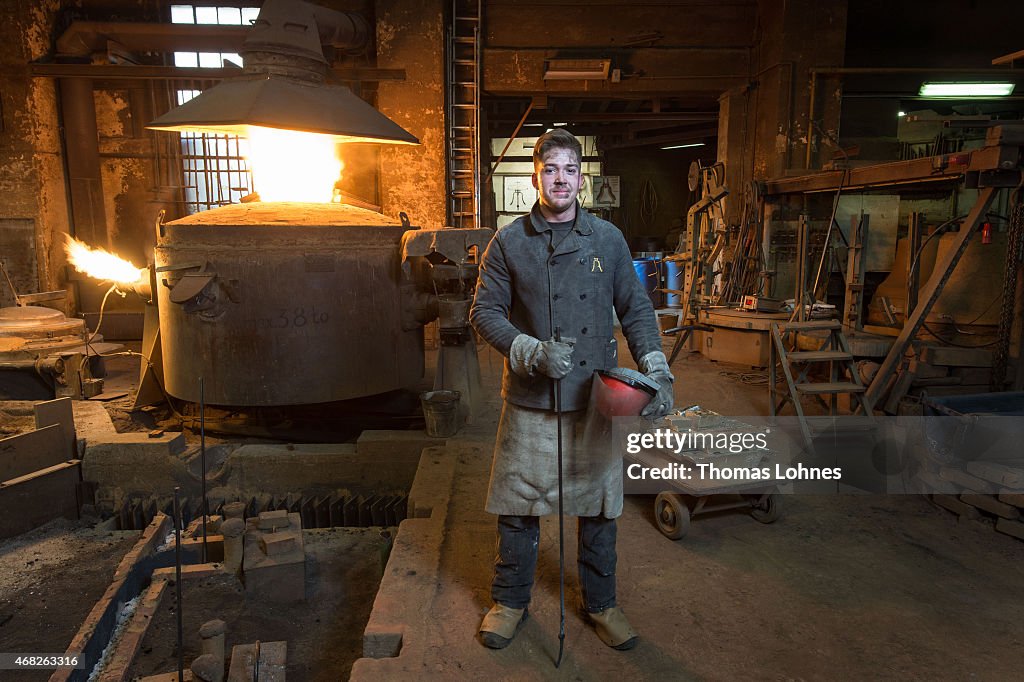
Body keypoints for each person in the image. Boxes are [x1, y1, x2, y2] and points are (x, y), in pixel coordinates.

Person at [470, 128, 674, 651]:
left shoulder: (607, 239)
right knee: (518, 507)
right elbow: (484, 312)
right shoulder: (509, 242)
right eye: (550, 169)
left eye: (569, 170)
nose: (560, 179)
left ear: (582, 178)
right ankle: (510, 601)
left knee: (599, 509)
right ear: (535, 176)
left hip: (595, 398)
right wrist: (529, 352)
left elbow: (636, 308)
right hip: (531, 399)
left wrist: (657, 368)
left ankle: (602, 605)